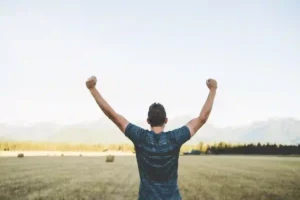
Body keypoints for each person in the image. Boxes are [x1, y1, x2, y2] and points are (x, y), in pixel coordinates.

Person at [86, 76, 217, 200]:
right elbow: (202, 118)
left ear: (148, 120)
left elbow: (113, 116)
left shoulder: (140, 137)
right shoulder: (175, 138)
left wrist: (93, 89)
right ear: (166, 120)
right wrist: (213, 90)